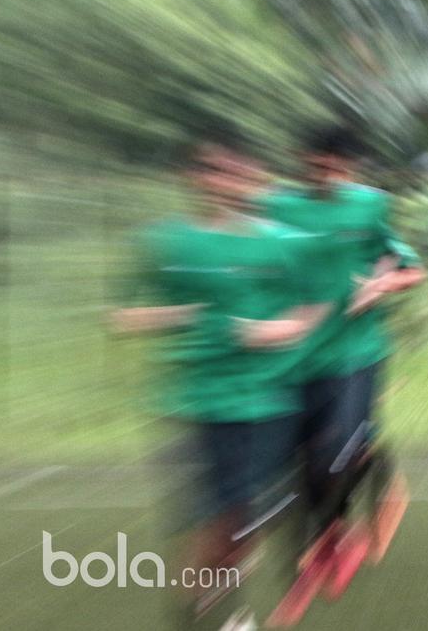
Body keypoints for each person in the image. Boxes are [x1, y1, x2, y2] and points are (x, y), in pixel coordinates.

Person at [112, 130, 329, 631]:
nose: (225, 181)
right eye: (213, 171)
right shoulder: (166, 241)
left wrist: (272, 331)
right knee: (222, 515)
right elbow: (123, 315)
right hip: (197, 400)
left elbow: (312, 309)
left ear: (253, 179)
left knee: (248, 514)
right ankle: (210, 609)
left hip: (268, 400)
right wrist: (177, 315)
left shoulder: (283, 243)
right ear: (193, 178)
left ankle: (204, 602)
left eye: (236, 172)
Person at [262, 125, 425, 624]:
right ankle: (331, 539)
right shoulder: (277, 207)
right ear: (303, 159)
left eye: (338, 165)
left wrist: (380, 285)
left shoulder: (370, 207)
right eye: (319, 163)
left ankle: (337, 534)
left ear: (351, 168)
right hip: (295, 358)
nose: (329, 172)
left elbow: (412, 269)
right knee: (300, 466)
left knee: (334, 455)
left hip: (357, 352)